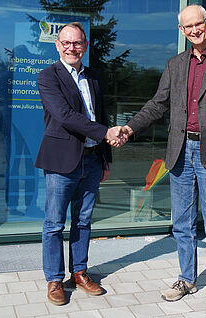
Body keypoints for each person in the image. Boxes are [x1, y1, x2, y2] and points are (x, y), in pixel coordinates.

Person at [121, 5, 206, 316]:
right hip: (180, 152)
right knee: (182, 224)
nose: (194, 30)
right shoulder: (175, 64)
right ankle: (186, 279)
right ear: (181, 30)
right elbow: (157, 104)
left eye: (198, 24)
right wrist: (129, 127)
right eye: (187, 26)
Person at [35, 22, 123, 306]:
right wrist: (104, 133)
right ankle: (54, 279)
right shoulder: (48, 76)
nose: (72, 48)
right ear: (58, 45)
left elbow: (103, 115)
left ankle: (79, 272)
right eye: (67, 43)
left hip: (92, 160)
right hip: (62, 162)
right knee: (54, 223)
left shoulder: (94, 76)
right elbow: (64, 115)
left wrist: (106, 156)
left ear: (85, 46)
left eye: (78, 43)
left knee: (83, 221)